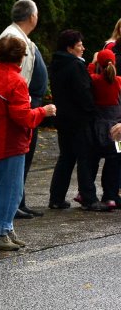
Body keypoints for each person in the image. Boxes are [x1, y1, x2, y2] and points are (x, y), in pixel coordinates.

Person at [0, 35, 56, 251]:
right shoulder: (16, 81)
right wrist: (44, 111)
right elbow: (24, 117)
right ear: (21, 57)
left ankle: (5, 228)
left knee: (0, 188)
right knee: (12, 191)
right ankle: (0, 232)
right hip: (11, 142)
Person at [0, 0, 47, 219]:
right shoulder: (13, 38)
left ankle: (18, 201)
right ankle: (12, 205)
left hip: (26, 102)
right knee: (17, 157)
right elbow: (17, 78)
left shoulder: (19, 36)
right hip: (21, 105)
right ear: (32, 17)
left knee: (23, 157)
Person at [47, 30, 107, 212]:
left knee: (66, 157)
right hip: (79, 119)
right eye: (80, 45)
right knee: (85, 157)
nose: (83, 48)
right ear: (70, 48)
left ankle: (56, 197)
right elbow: (83, 92)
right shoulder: (76, 66)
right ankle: (89, 198)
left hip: (63, 118)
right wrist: (92, 110)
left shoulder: (57, 65)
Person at [86, 48, 121, 208]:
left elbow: (87, 75)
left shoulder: (95, 80)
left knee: (92, 158)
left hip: (98, 127)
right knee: (116, 161)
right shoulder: (119, 81)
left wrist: (93, 63)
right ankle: (111, 196)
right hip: (117, 129)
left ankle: (86, 192)